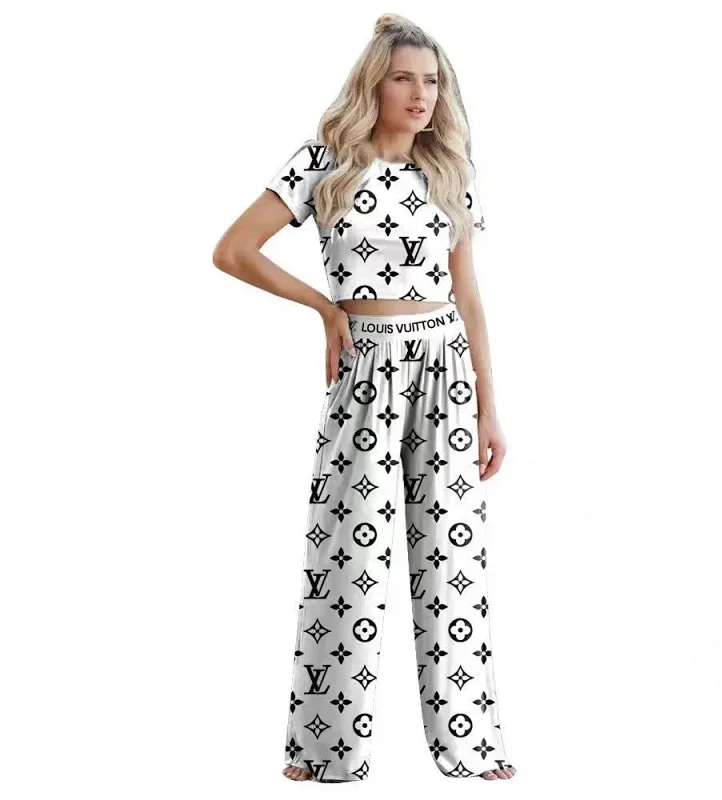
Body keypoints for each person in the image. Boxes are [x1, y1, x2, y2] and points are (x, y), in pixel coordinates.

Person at [213, 12, 517, 783]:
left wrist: (489, 408)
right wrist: (324, 307)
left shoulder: (449, 171)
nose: (422, 95)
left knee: (453, 563)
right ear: (373, 85)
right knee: (345, 555)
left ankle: (471, 744)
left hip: (444, 369)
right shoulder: (324, 163)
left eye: (433, 81)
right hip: (365, 368)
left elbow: (469, 297)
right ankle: (324, 748)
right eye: (404, 78)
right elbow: (234, 249)